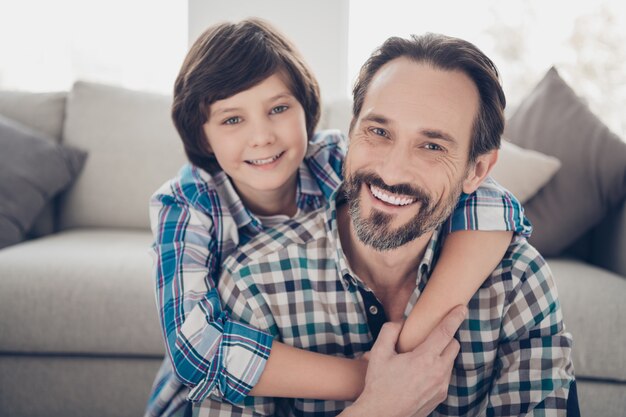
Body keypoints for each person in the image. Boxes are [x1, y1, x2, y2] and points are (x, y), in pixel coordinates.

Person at [146, 19, 531, 417]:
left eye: (278, 109)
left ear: (308, 108)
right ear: (202, 133)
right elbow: (196, 349)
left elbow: (488, 203)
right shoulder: (185, 204)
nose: (262, 136)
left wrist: (409, 344)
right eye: (232, 119)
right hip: (201, 396)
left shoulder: (336, 158)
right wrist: (374, 380)